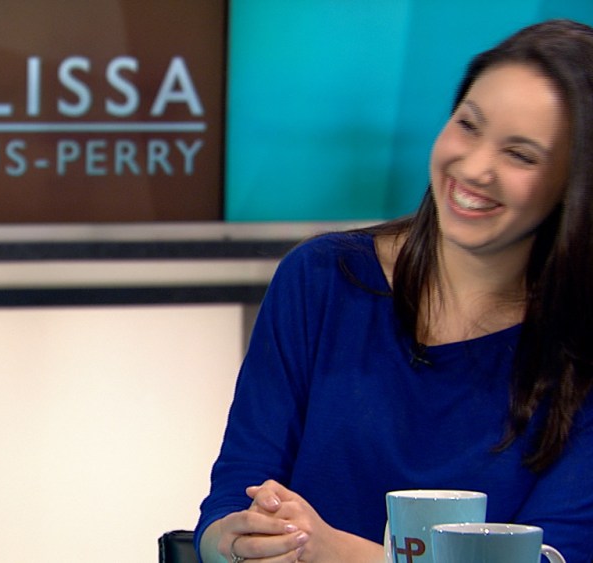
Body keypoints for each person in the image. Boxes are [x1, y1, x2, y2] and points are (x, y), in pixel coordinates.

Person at [196, 19, 593, 563]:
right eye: (468, 125)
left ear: (573, 186)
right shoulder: (321, 280)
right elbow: (227, 503)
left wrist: (331, 551)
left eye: (520, 155)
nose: (475, 167)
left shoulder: (580, 354)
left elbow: (552, 556)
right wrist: (237, 540)